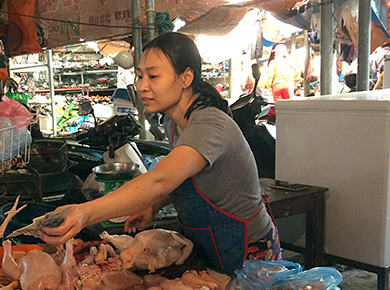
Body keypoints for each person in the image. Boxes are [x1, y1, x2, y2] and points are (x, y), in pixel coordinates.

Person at [40, 32, 281, 275]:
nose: (142, 86)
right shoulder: (173, 122)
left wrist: (84, 213)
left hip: (248, 248)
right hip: (211, 243)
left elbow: (159, 180)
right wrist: (154, 206)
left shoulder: (209, 124)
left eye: (153, 76)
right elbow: (183, 176)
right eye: (140, 76)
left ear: (186, 77)